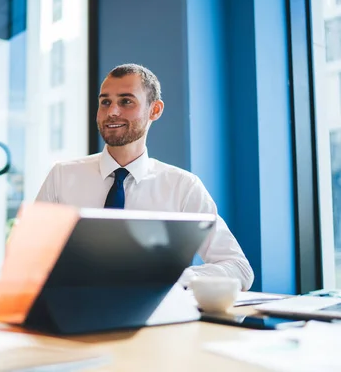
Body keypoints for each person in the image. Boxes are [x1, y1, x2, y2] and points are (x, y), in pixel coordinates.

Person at [36, 63, 254, 290]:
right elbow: (29, 258)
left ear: (155, 110)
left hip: (152, 320)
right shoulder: (61, 176)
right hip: (71, 313)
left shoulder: (182, 187)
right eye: (105, 102)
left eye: (126, 101)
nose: (112, 112)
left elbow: (239, 269)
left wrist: (162, 279)